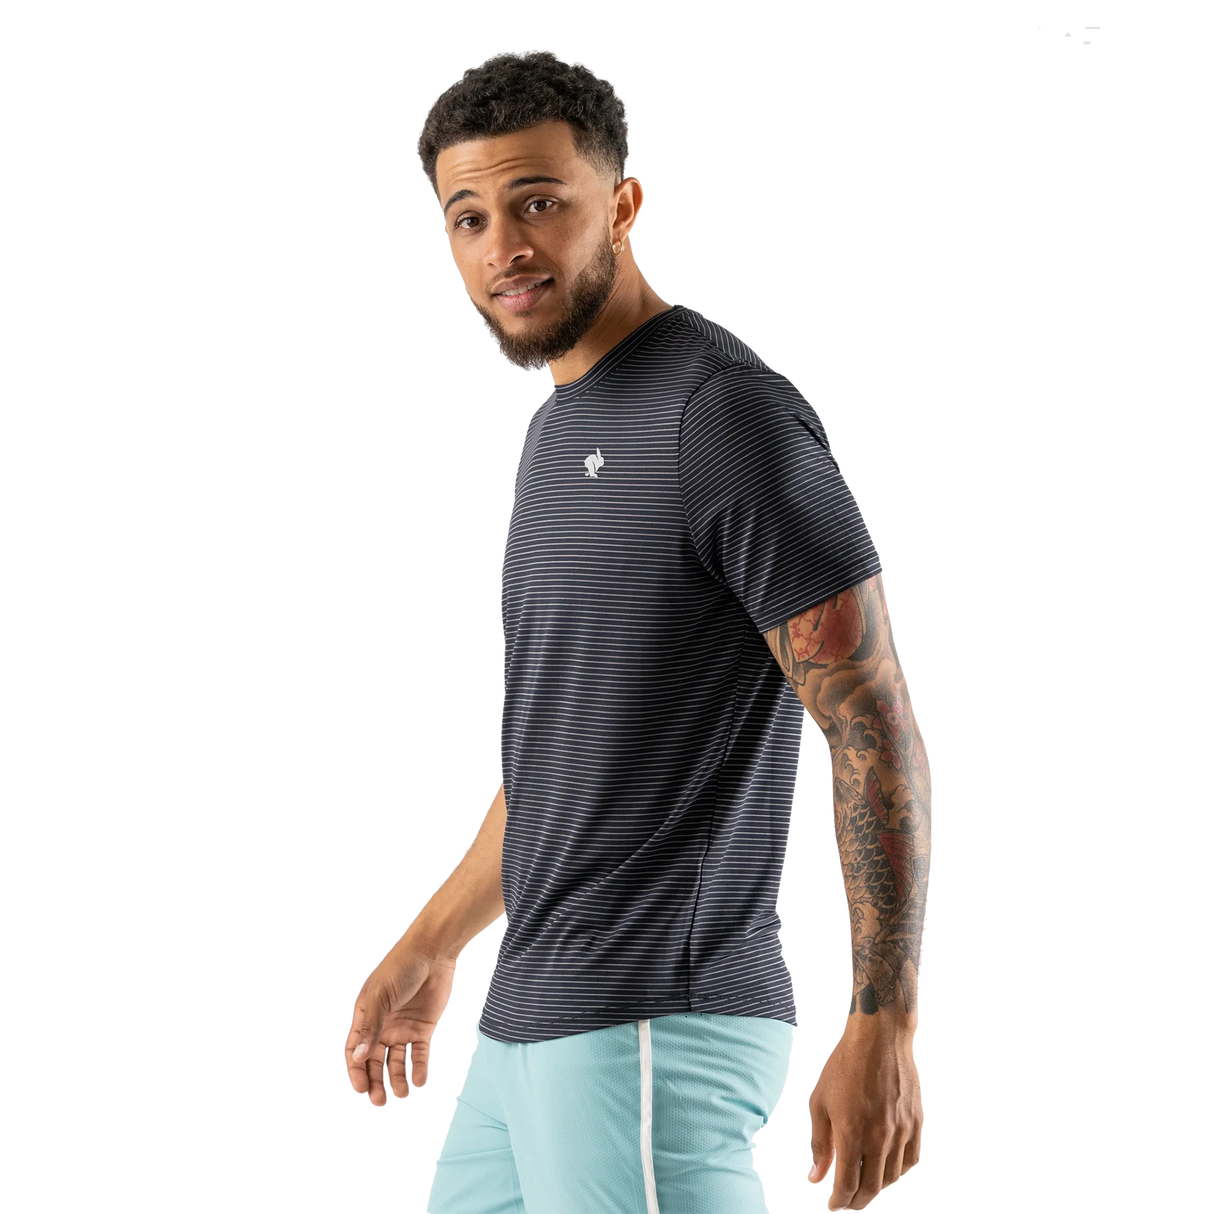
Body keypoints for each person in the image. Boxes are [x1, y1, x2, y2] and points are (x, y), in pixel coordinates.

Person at [344, 48, 933, 1214]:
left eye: (538, 203)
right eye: (468, 217)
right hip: (525, 1027)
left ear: (621, 204)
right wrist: (432, 940)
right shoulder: (552, 433)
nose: (503, 247)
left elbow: (872, 726)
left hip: (653, 1022)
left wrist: (884, 1022)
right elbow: (559, 765)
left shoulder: (721, 414)